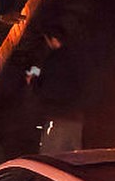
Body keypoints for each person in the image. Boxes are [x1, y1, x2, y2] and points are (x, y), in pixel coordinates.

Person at [27, 24, 86, 152]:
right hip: (77, 119)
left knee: (49, 157)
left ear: (53, 39)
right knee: (74, 157)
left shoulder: (53, 60)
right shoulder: (77, 58)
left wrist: (33, 81)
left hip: (58, 118)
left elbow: (46, 90)